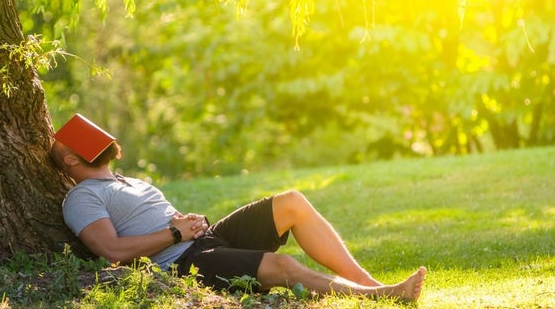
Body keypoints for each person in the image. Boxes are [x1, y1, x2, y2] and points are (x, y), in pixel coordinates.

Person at [50, 116, 426, 302]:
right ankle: (384, 296)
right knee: (282, 267)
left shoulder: (122, 181)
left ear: (69, 156)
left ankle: (369, 283)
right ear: (70, 160)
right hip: (183, 263)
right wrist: (176, 233)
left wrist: (188, 225)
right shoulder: (82, 197)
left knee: (292, 202)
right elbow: (112, 252)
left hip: (204, 239)